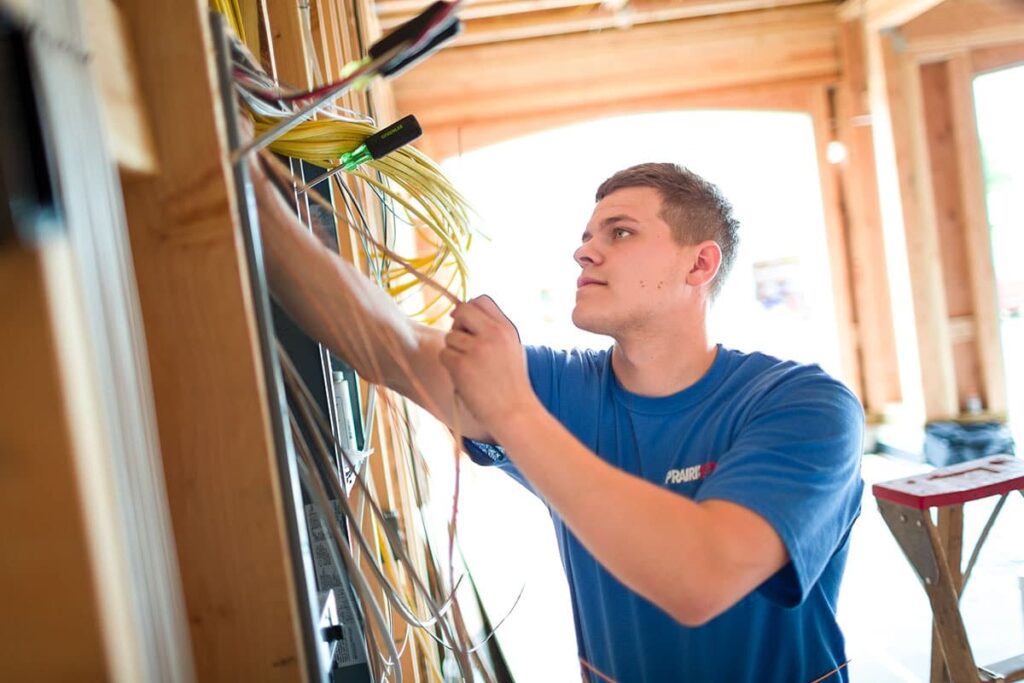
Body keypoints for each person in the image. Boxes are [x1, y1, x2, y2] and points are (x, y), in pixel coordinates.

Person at [255, 160, 864, 682]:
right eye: (586, 235)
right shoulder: (560, 388)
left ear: (700, 265)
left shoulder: (803, 406)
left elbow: (701, 579)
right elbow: (384, 344)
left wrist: (512, 409)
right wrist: (251, 191)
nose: (583, 250)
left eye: (620, 232)